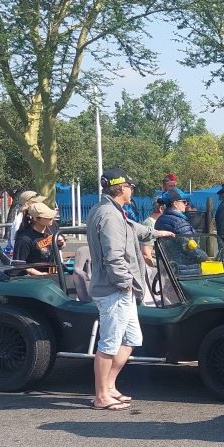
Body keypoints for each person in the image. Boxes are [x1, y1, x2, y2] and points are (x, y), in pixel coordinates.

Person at [86, 167, 173, 411]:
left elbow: (133, 229)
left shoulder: (111, 212)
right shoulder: (110, 215)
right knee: (109, 343)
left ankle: (110, 387)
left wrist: (157, 233)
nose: (132, 190)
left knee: (132, 338)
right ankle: (101, 396)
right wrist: (125, 283)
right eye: (130, 187)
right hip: (115, 289)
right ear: (122, 188)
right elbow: (113, 256)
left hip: (120, 289)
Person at [12, 201, 59, 276]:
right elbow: (19, 264)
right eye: (47, 217)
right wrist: (40, 274)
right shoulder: (24, 239)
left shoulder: (53, 226)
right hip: (34, 279)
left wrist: (61, 243)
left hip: (54, 274)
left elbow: (60, 246)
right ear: (36, 219)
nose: (51, 218)